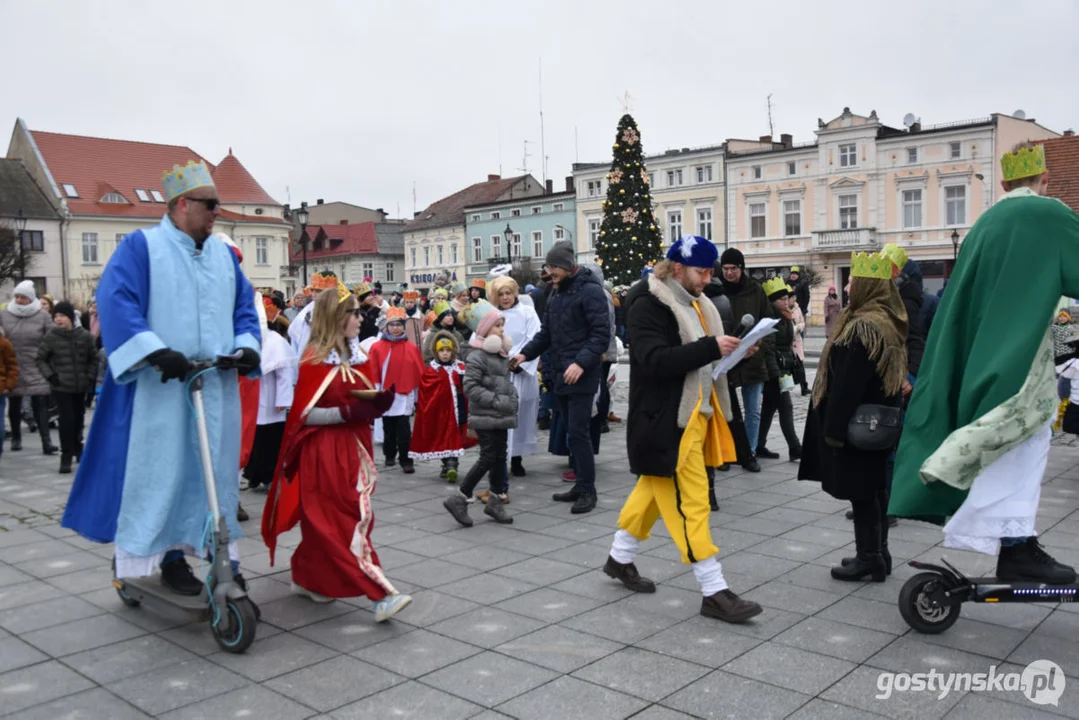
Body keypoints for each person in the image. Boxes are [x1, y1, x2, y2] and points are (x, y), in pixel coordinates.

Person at [61, 159, 261, 596]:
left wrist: (248, 347)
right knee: (163, 473)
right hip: (161, 388)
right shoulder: (142, 247)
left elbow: (244, 309)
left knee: (214, 475)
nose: (216, 213)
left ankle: (218, 553)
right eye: (210, 205)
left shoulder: (225, 257)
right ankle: (164, 558)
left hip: (215, 386)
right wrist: (154, 351)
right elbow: (116, 301)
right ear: (182, 204)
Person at [890, 142, 1079, 584]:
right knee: (1025, 445)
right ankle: (1016, 546)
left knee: (1003, 446)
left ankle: (1013, 541)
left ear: (1002, 183)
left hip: (984, 355)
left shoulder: (984, 224)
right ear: (1045, 180)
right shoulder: (1049, 215)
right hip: (1025, 358)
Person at [605, 236, 763, 623]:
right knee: (691, 502)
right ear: (677, 269)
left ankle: (619, 558)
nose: (709, 279)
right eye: (702, 271)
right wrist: (713, 347)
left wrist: (734, 352)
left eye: (711, 271)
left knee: (651, 493)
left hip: (693, 415)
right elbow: (654, 361)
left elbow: (705, 363)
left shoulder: (694, 301)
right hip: (666, 423)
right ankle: (714, 590)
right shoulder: (648, 303)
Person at [262, 285, 411, 620]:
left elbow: (362, 402)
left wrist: (375, 404)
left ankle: (307, 576)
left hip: (353, 449)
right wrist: (344, 414)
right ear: (337, 317)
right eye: (354, 312)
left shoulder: (359, 355)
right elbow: (302, 415)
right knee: (336, 523)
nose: (361, 318)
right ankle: (379, 593)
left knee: (334, 522)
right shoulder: (315, 359)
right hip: (323, 452)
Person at [799, 250, 907, 582]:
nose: (847, 288)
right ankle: (879, 554)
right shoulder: (887, 318)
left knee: (862, 493)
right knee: (875, 488)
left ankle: (869, 558)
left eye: (853, 282)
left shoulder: (863, 327)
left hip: (858, 426)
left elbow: (848, 386)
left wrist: (832, 430)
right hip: (879, 423)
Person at [512, 240, 611, 514]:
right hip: (559, 374)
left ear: (568, 267)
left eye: (553, 267)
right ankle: (580, 484)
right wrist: (525, 354)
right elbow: (547, 333)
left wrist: (581, 363)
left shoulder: (590, 292)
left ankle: (588, 490)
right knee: (571, 432)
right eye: (548, 266)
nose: (549, 271)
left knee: (579, 434)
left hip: (581, 374)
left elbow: (601, 335)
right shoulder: (555, 292)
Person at [443, 300, 517, 525]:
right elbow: (471, 387)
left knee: (500, 457)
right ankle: (460, 496)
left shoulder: (499, 354)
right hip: (486, 415)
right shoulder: (477, 356)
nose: (502, 330)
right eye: (497, 326)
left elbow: (503, 382)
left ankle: (495, 501)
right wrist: (497, 401)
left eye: (503, 325)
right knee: (488, 456)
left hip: (501, 415)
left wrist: (511, 397)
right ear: (485, 330)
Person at [717, 249, 777, 460]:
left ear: (741, 269)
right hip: (726, 358)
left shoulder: (756, 290)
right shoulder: (716, 290)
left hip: (753, 358)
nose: (730, 273)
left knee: (753, 410)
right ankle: (726, 451)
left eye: (734, 268)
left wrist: (760, 345)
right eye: (726, 268)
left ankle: (750, 450)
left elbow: (768, 320)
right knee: (726, 409)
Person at [36, 301, 97, 474]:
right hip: (61, 386)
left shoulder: (84, 336)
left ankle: (79, 449)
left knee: (78, 419)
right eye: (56, 316)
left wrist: (90, 377)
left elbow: (93, 358)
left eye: (62, 316)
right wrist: (51, 376)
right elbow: (40, 359)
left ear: (71, 317)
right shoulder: (51, 336)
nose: (59, 319)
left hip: (81, 386)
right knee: (66, 420)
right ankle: (66, 456)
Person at [243, 295, 297, 491]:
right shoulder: (248, 339)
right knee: (254, 439)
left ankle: (268, 476)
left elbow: (284, 373)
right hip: (252, 398)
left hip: (271, 400)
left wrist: (283, 399)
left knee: (269, 440)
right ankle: (253, 474)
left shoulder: (275, 342)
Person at [490, 276, 542, 477]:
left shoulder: (527, 313)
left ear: (515, 293)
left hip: (521, 372)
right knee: (500, 416)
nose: (505, 298)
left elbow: (535, 337)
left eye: (508, 293)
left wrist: (521, 361)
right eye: (501, 294)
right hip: (499, 373)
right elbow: (481, 338)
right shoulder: (491, 315)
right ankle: (498, 458)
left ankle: (517, 457)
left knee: (521, 415)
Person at [1, 281, 57, 454]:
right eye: (17, 296)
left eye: (23, 297)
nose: (19, 300)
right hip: (13, 365)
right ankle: (16, 438)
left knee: (39, 403)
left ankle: (46, 442)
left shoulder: (42, 316)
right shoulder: (4, 314)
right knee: (15, 403)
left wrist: (48, 359)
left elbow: (51, 339)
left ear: (30, 298)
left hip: (36, 364)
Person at [366, 307, 424, 473]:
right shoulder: (377, 347)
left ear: (404, 326)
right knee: (388, 428)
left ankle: (406, 460)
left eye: (399, 324)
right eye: (392, 325)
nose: (396, 328)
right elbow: (373, 369)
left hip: (404, 394)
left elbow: (418, 371)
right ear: (386, 326)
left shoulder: (411, 348)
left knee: (404, 429)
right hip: (385, 393)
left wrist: (417, 395)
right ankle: (389, 454)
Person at [410, 330, 473, 482]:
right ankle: (447, 464)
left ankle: (452, 465)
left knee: (454, 436)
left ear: (453, 352)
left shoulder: (460, 368)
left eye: (448, 350)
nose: (445, 354)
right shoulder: (432, 371)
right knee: (442, 436)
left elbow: (469, 387)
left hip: (458, 410)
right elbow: (426, 394)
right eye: (441, 350)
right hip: (439, 412)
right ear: (436, 352)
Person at [755, 280, 802, 463]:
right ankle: (795, 447)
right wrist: (777, 373)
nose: (786, 301)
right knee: (785, 407)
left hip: (783, 368)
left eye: (786, 297)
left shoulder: (785, 316)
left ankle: (759, 444)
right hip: (774, 370)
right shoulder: (770, 319)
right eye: (782, 299)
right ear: (773, 301)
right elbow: (769, 348)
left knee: (769, 407)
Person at [289, 272, 338, 356]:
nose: (314, 294)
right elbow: (296, 340)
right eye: (312, 290)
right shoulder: (305, 313)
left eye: (319, 291)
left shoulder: (342, 310)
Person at [0, 329, 16, 464]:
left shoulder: (4, 343)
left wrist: (8, 385)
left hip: (0, 391)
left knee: (0, 429)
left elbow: (12, 366)